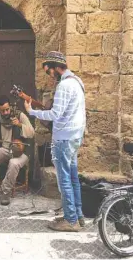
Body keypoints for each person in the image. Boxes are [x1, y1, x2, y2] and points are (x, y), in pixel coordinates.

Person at [24, 51, 86, 232]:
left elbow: (54, 115)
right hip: (74, 137)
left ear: (55, 68)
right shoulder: (78, 82)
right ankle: (77, 216)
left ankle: (71, 220)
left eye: (48, 71)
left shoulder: (64, 86)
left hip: (64, 139)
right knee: (73, 177)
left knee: (64, 179)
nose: (49, 76)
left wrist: (32, 112)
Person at [0, 95, 35, 206]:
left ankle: (5, 192)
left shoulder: (20, 115)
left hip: (21, 151)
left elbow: (32, 132)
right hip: (6, 149)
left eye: (7, 109)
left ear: (10, 106)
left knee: (13, 163)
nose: (5, 113)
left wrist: (19, 124)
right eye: (2, 111)